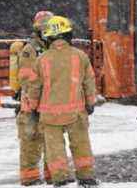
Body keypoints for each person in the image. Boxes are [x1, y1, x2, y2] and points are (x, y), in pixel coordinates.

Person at [25, 16, 99, 188]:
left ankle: (60, 178)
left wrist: (33, 106)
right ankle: (86, 176)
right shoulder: (80, 56)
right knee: (81, 144)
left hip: (50, 114)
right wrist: (90, 102)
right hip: (76, 111)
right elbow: (89, 81)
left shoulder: (41, 60)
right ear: (68, 34)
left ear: (49, 37)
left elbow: (34, 86)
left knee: (54, 148)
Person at [11, 10, 54, 186]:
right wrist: (34, 103)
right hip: (31, 107)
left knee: (53, 143)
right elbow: (27, 79)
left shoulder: (54, 48)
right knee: (31, 144)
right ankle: (30, 179)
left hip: (49, 106)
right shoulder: (30, 50)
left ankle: (54, 177)